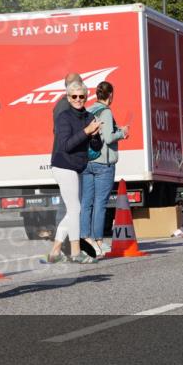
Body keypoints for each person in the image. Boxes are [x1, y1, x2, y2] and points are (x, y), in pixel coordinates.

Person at [47, 79, 103, 263]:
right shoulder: (64, 117)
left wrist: (95, 136)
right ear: (69, 98)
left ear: (86, 97)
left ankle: (55, 251)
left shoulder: (88, 116)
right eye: (74, 96)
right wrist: (87, 131)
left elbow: (96, 146)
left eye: (82, 96)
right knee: (75, 208)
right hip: (63, 164)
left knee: (72, 210)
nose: (78, 99)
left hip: (77, 166)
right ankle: (75, 252)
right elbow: (66, 145)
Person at [80, 81, 129, 259]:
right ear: (110, 95)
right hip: (103, 163)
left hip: (87, 162)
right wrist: (122, 133)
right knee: (100, 203)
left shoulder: (89, 110)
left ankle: (85, 240)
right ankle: (99, 241)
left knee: (86, 203)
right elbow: (108, 138)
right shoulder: (106, 112)